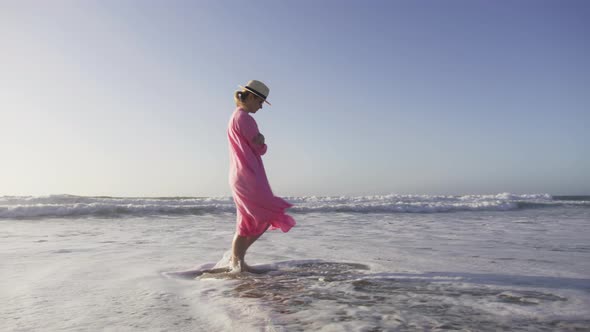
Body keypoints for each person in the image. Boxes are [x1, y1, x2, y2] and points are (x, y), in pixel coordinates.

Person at [226, 80, 296, 272]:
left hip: (240, 174)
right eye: (260, 102)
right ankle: (236, 260)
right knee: (267, 216)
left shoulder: (235, 117)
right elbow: (259, 147)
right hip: (249, 175)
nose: (260, 107)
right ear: (250, 97)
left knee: (247, 221)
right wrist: (263, 142)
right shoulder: (246, 118)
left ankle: (236, 263)